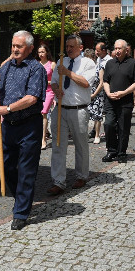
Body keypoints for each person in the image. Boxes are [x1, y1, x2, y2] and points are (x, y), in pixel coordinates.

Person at [0, 30, 47, 231]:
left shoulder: (35, 69)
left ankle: (21, 213)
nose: (14, 49)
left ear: (30, 49)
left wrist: (9, 108)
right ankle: (20, 198)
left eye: (19, 46)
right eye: (13, 46)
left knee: (26, 171)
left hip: (29, 125)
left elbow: (32, 98)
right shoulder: (5, 67)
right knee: (7, 167)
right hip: (8, 126)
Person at [47, 35, 96, 195]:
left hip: (78, 109)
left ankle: (81, 176)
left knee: (80, 145)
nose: (68, 49)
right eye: (66, 46)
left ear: (80, 47)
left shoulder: (88, 63)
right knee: (58, 145)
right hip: (60, 108)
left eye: (71, 46)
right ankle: (58, 181)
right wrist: (55, 89)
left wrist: (67, 73)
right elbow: (53, 81)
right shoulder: (61, 62)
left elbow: (85, 83)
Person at [102, 39, 135, 163]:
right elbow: (105, 81)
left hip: (125, 101)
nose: (117, 51)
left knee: (124, 127)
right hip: (110, 100)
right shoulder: (110, 63)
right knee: (108, 124)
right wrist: (108, 93)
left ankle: (121, 152)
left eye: (120, 48)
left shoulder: (132, 63)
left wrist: (123, 93)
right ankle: (111, 150)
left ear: (126, 50)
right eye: (116, 48)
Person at [37, 44, 56, 150]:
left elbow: (56, 80)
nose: (41, 54)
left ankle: (43, 139)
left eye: (43, 52)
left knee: (44, 113)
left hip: (49, 91)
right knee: (38, 114)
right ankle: (41, 134)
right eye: (39, 52)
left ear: (47, 52)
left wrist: (46, 81)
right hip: (38, 91)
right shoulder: (37, 64)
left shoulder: (52, 64)